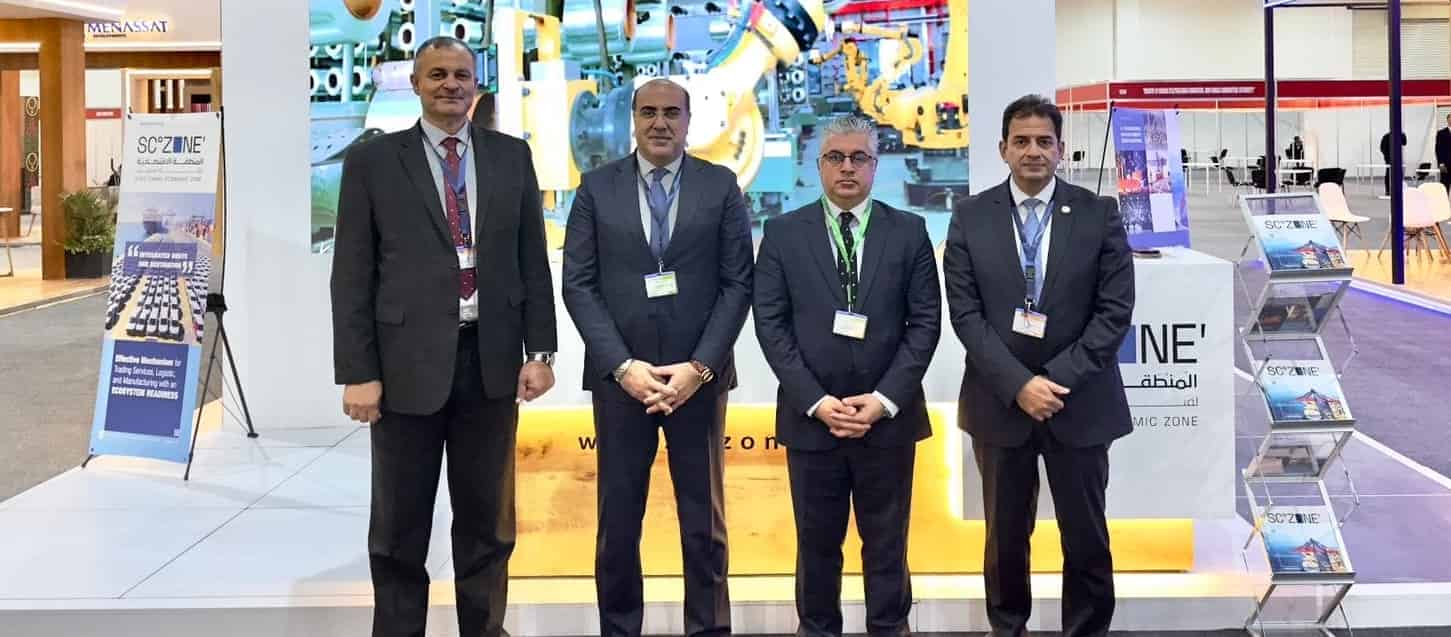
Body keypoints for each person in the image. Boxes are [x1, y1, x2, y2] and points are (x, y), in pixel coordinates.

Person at [330, 36, 558, 637]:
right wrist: (358, 371)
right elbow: (351, 273)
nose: (450, 85)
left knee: (488, 523)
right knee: (399, 526)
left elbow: (532, 260)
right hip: (403, 366)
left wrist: (540, 351)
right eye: (437, 75)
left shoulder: (511, 156)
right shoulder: (374, 162)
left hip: (491, 361)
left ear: (476, 84)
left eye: (461, 74)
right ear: (416, 84)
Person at [561, 78, 753, 637]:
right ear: (634, 119)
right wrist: (623, 367)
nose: (660, 123)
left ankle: (709, 629)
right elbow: (578, 285)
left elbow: (738, 284)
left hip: (698, 381)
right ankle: (620, 629)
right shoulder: (595, 188)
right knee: (618, 523)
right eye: (648, 112)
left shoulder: (721, 186)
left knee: (704, 522)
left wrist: (700, 368)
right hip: (623, 383)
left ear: (689, 121)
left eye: (672, 112)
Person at [943, 94, 1135, 637]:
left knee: (1087, 536)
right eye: (1021, 141)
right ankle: (1008, 628)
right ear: (1002, 149)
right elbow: (966, 314)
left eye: (1044, 141)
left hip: (1080, 402)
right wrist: (1019, 384)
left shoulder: (1098, 213)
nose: (1033, 151)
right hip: (999, 404)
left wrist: (1053, 381)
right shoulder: (971, 216)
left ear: (1061, 149)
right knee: (1004, 537)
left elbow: (1114, 312)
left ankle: (1087, 630)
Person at [752, 116, 940, 637]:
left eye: (859, 157)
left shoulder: (909, 231)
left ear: (875, 166)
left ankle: (890, 628)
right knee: (816, 548)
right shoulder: (783, 234)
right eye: (836, 157)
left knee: (887, 546)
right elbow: (770, 324)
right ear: (819, 166)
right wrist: (815, 401)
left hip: (888, 422)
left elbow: (926, 323)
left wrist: (884, 399)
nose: (847, 167)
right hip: (813, 421)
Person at [1381, 130, 1407, 196]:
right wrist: (1386, 156)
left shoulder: (1399, 135)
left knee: (1397, 173)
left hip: (1396, 158)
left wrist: (1403, 135)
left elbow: (1404, 143)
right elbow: (1382, 148)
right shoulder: (1386, 136)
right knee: (1389, 173)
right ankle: (1388, 190)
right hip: (1389, 158)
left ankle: (1395, 189)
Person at [1435, 114, 1451, 190]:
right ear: (1447, 120)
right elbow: (1438, 149)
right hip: (1446, 164)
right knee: (1445, 185)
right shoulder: (1441, 133)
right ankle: (1445, 198)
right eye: (1450, 118)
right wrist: (1441, 163)